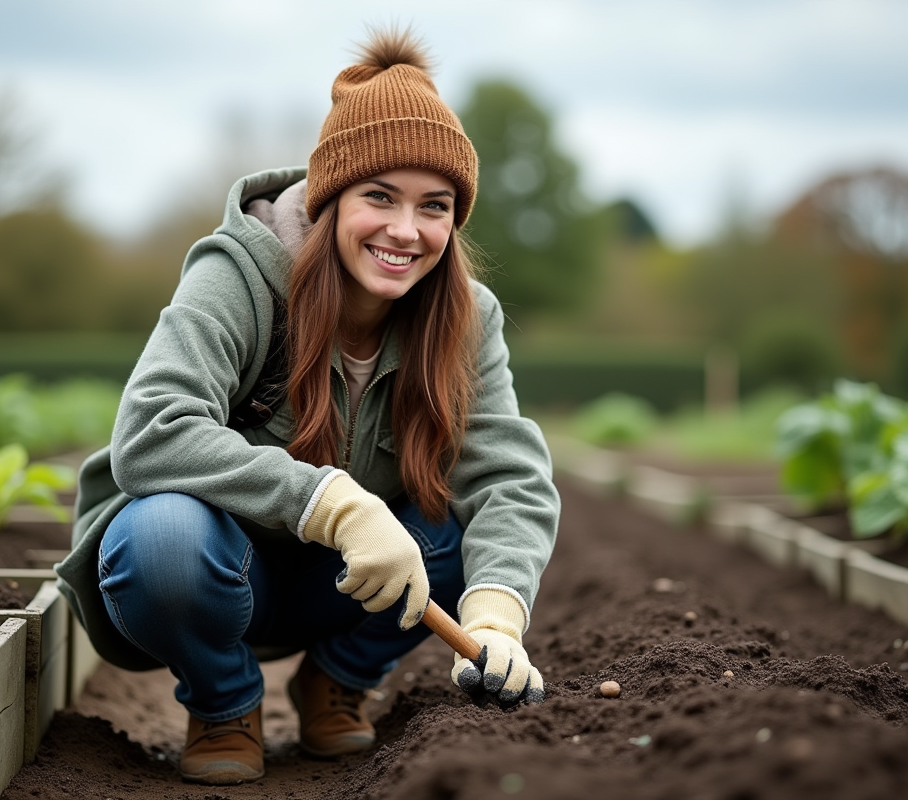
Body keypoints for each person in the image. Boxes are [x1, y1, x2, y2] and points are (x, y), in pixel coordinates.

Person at [54, 27, 560, 786]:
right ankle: (223, 703)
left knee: (464, 536)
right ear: (331, 199)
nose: (405, 230)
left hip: (353, 588)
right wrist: (331, 502)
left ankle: (337, 681)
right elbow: (152, 431)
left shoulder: (466, 316)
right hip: (222, 566)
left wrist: (496, 616)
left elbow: (510, 478)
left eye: (435, 206)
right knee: (158, 537)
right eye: (379, 197)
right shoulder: (240, 277)